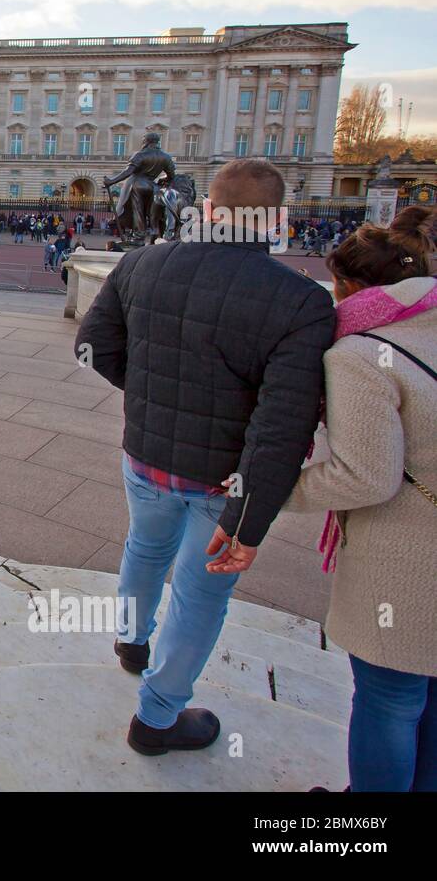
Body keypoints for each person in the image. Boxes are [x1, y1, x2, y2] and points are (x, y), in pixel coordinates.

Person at [76, 159, 336, 756]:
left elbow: (91, 347)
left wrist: (147, 395)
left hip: (143, 457)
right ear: (275, 221)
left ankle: (131, 642)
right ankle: (158, 719)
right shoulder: (301, 303)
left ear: (209, 210)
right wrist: (249, 522)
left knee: (144, 547)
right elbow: (281, 424)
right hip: (224, 482)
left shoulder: (140, 263)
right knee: (199, 595)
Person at [283, 208, 437, 792]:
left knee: (391, 698)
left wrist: (276, 492)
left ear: (349, 286)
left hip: (408, 558)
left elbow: (368, 477)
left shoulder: (359, 354)